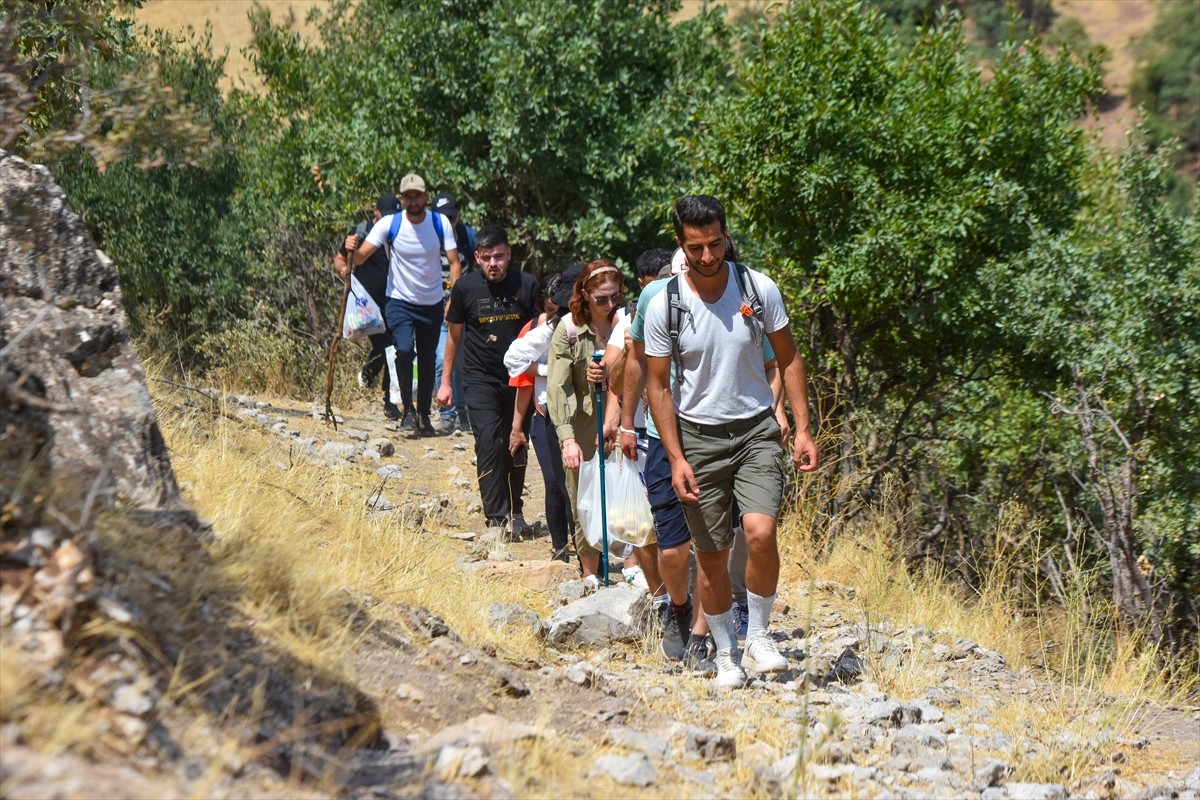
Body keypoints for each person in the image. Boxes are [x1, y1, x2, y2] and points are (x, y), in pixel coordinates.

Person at [642, 195, 819, 689]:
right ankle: (724, 654)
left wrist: (802, 428)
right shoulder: (665, 304)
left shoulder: (757, 288)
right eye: (695, 247)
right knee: (713, 555)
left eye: (715, 244)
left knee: (761, 531)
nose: (707, 256)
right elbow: (657, 385)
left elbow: (788, 358)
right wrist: (674, 456)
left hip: (756, 430)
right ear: (681, 245)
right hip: (697, 437)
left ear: (725, 237)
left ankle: (759, 634)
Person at [619, 246, 786, 669]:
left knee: (719, 544)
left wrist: (777, 412)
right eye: (694, 256)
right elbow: (640, 366)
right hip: (665, 437)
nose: (705, 262)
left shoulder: (744, 296)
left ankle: (705, 637)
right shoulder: (658, 302)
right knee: (673, 548)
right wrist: (623, 420)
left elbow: (774, 362)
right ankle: (677, 608)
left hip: (728, 436)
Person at [438, 225, 539, 538]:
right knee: (487, 442)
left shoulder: (526, 284)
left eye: (499, 256)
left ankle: (516, 509)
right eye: (486, 258)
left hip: (519, 378)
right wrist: (445, 383)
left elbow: (541, 331)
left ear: (508, 254)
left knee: (516, 440)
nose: (493, 263)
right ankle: (496, 518)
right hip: (479, 377)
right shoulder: (465, 288)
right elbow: (454, 339)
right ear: (477, 258)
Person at [344, 173, 462, 437]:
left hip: (431, 302)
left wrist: (453, 298)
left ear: (426, 197)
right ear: (401, 198)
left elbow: (455, 263)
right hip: (399, 300)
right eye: (408, 196)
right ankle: (408, 410)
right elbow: (361, 257)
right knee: (405, 351)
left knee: (429, 359)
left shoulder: (439, 222)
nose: (413, 201)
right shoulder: (390, 223)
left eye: (418, 195)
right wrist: (349, 247)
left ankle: (424, 414)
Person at [546, 259, 627, 579]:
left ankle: (632, 569)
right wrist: (566, 439)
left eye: (615, 297)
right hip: (581, 424)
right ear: (584, 294)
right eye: (601, 299)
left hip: (623, 419)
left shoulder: (627, 322)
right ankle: (590, 576)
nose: (609, 305)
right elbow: (558, 386)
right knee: (585, 502)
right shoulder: (568, 330)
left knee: (627, 497)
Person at [505, 270, 575, 562]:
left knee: (578, 486)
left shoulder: (604, 325)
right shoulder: (552, 328)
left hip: (582, 418)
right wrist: (549, 371)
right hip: (546, 415)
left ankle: (587, 550)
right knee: (555, 484)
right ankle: (560, 549)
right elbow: (514, 361)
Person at [334, 194, 403, 420]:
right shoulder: (361, 232)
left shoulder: (400, 233)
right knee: (387, 347)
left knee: (391, 347)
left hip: (393, 301)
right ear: (376, 212)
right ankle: (385, 396)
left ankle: (386, 398)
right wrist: (345, 270)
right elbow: (339, 259)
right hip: (366, 305)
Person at [432, 191, 476, 434]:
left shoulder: (468, 237)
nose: (447, 222)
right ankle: (446, 414)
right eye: (441, 218)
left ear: (458, 215)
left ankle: (462, 411)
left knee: (461, 364)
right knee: (441, 361)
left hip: (464, 311)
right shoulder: (426, 237)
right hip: (436, 310)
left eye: (451, 217)